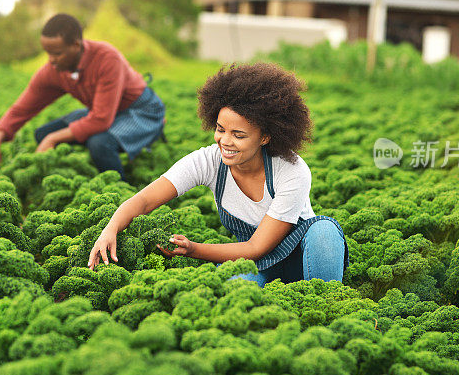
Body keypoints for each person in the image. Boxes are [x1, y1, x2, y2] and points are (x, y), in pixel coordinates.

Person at [87, 63, 348, 286]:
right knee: (235, 288)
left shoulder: (291, 169)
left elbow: (257, 246)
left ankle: (327, 303)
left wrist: (193, 250)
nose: (225, 141)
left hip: (302, 257)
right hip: (254, 263)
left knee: (324, 230)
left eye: (239, 135)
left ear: (266, 136)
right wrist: (111, 228)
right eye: (221, 129)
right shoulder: (209, 160)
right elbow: (144, 201)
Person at [0, 13, 165, 180]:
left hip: (141, 109)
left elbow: (101, 120)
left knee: (99, 144)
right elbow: (22, 108)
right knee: (42, 134)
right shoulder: (53, 70)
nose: (51, 60)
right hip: (105, 110)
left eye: (57, 53)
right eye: (48, 53)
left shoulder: (107, 59)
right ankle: (81, 173)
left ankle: (121, 191)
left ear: (76, 46)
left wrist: (53, 139)